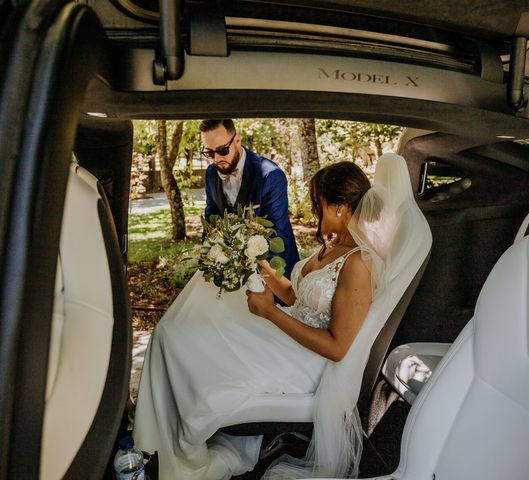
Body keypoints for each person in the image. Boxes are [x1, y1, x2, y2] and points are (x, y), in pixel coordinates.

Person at [133, 155, 416, 480]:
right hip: (289, 340)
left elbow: (338, 346)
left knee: (192, 340)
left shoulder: (358, 264)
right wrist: (256, 265)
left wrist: (269, 313)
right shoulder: (331, 246)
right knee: (189, 327)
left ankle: (173, 439)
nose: (313, 209)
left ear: (340, 207)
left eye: (318, 203)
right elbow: (299, 298)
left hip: (306, 362)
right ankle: (160, 432)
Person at [200, 119, 299, 278]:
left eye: (222, 150)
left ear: (237, 140)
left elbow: (279, 235)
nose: (217, 158)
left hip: (275, 272)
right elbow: (211, 222)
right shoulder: (211, 174)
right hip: (229, 273)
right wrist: (208, 259)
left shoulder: (270, 176)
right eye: (209, 153)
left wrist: (261, 280)